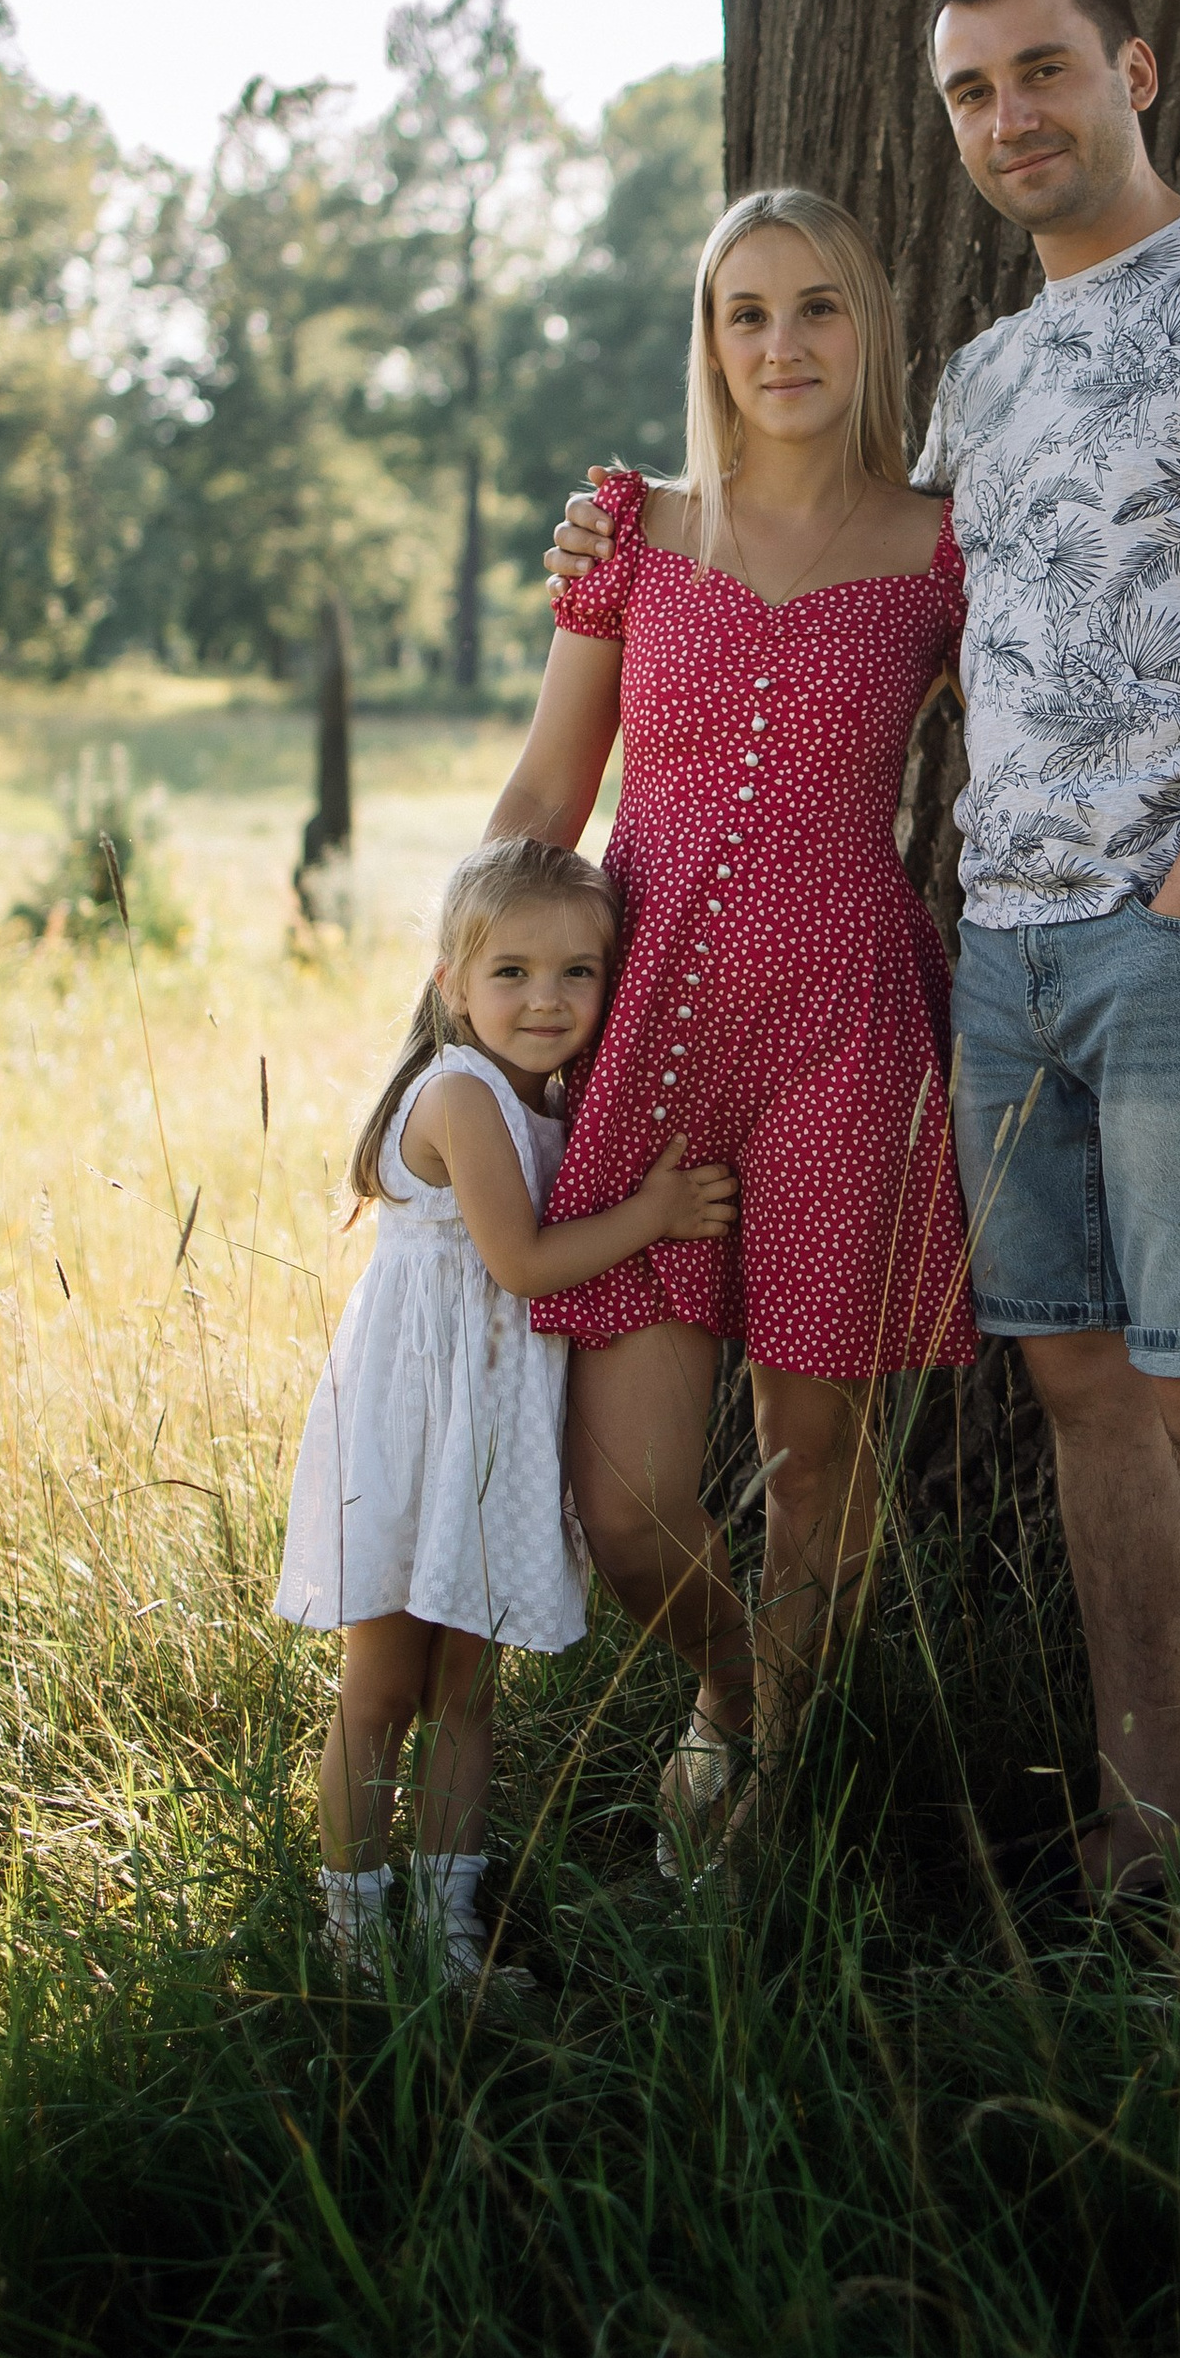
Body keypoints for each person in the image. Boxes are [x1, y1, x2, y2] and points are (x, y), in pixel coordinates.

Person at [550, 0, 1180, 1961]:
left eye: (1044, 70)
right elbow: (841, 596)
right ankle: (1131, 1837)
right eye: (971, 89)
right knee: (1087, 1401)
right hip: (1003, 965)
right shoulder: (985, 386)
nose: (1011, 116)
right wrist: (612, 548)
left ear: (1135, 69)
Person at [486, 186, 976, 1874]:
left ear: (871, 327)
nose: (784, 345)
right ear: (708, 341)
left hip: (849, 1029)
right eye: (746, 312)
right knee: (628, 1503)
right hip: (653, 1029)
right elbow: (547, 794)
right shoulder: (633, 532)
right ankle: (732, 1694)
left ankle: (773, 1790)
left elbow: (1055, 751)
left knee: (813, 1450)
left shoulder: (942, 550)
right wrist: (459, 1022)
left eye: (818, 306)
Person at [274, 834, 736, 1986]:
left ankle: (447, 1937)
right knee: (381, 1689)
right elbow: (522, 1264)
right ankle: (351, 1938)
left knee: (467, 1694)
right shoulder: (462, 1095)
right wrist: (654, 1215)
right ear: (452, 984)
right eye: (512, 973)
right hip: (413, 1436)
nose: (545, 999)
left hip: (490, 1440)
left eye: (578, 972)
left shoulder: (556, 1103)